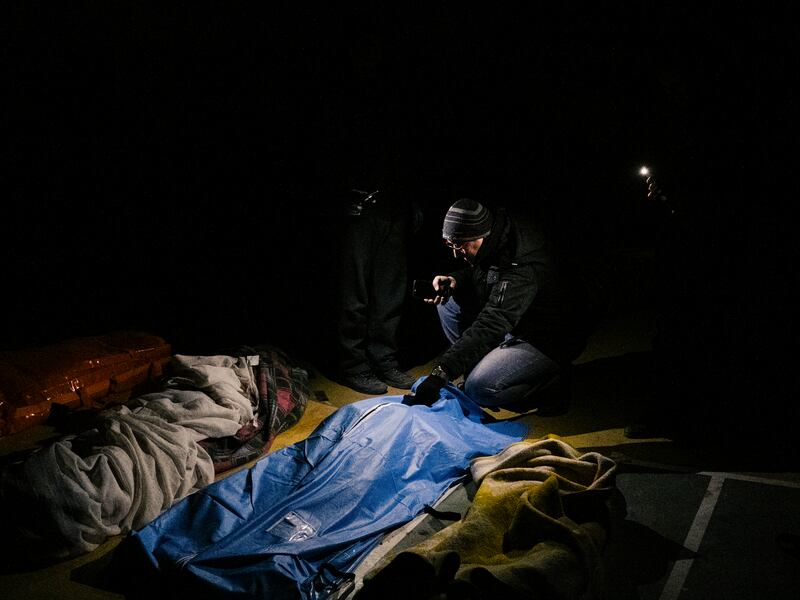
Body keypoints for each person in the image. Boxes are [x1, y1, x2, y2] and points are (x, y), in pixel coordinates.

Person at [406, 198, 592, 409]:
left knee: (479, 389)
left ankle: (551, 384)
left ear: (480, 235)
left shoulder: (521, 263)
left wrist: (442, 372)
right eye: (450, 244)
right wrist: (456, 279)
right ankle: (484, 365)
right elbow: (484, 270)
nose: (455, 252)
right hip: (517, 320)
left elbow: (494, 321)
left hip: (547, 336)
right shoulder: (494, 233)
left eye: (459, 244)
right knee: (447, 302)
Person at [334, 186, 418, 394]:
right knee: (355, 292)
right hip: (359, 206)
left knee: (390, 294)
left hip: (394, 206)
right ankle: (354, 366)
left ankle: (384, 360)